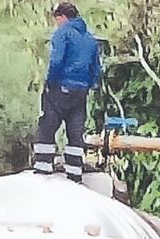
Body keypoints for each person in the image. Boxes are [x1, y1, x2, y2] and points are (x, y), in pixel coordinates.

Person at [32, 2, 102, 182]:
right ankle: (74, 171)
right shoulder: (90, 38)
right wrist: (88, 85)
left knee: (48, 123)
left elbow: (56, 61)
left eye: (57, 20)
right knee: (75, 130)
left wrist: (50, 82)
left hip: (61, 87)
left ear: (61, 17)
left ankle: (43, 166)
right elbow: (96, 69)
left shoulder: (63, 33)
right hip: (81, 91)